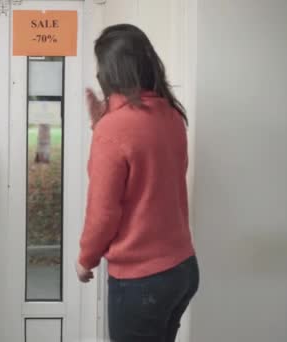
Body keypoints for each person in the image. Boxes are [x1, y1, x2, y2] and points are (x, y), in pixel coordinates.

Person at [76, 24, 200, 342]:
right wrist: (101, 124)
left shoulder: (115, 128)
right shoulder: (171, 114)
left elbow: (104, 210)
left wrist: (85, 259)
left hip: (142, 279)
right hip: (182, 270)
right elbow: (154, 180)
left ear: (109, 72)